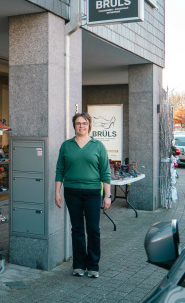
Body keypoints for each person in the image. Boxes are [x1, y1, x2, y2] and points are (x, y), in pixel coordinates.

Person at [55, 112, 111, 279]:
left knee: (93, 230)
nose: (81, 126)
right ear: (74, 126)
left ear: (89, 125)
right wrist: (57, 192)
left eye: (84, 123)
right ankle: (79, 264)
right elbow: (59, 170)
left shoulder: (98, 146)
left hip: (93, 193)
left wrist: (107, 195)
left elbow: (105, 172)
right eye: (78, 123)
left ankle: (93, 265)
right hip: (72, 192)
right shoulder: (66, 145)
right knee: (77, 229)